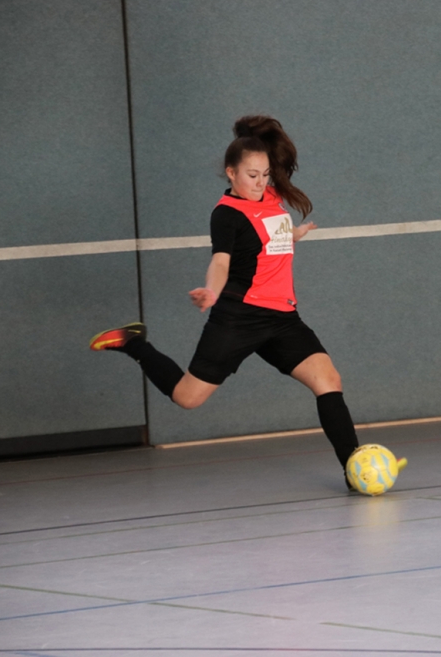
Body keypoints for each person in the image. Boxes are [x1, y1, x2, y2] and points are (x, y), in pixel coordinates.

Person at [90, 115, 361, 487]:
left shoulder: (271, 196)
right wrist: (212, 291)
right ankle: (134, 343)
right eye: (252, 175)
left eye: (265, 174)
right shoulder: (226, 215)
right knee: (187, 398)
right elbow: (221, 262)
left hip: (283, 318)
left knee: (328, 379)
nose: (260, 182)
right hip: (239, 317)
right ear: (231, 173)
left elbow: (269, 239)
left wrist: (294, 234)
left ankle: (354, 468)